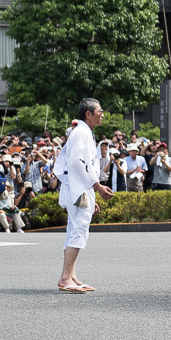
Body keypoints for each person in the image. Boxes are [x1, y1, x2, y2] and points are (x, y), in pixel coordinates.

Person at [54, 98, 114, 293]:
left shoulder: (83, 132)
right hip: (78, 187)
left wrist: (92, 193)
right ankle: (65, 277)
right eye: (99, 111)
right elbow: (78, 164)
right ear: (88, 114)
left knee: (75, 229)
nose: (102, 114)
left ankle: (70, 275)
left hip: (80, 188)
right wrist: (97, 187)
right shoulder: (81, 132)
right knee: (78, 231)